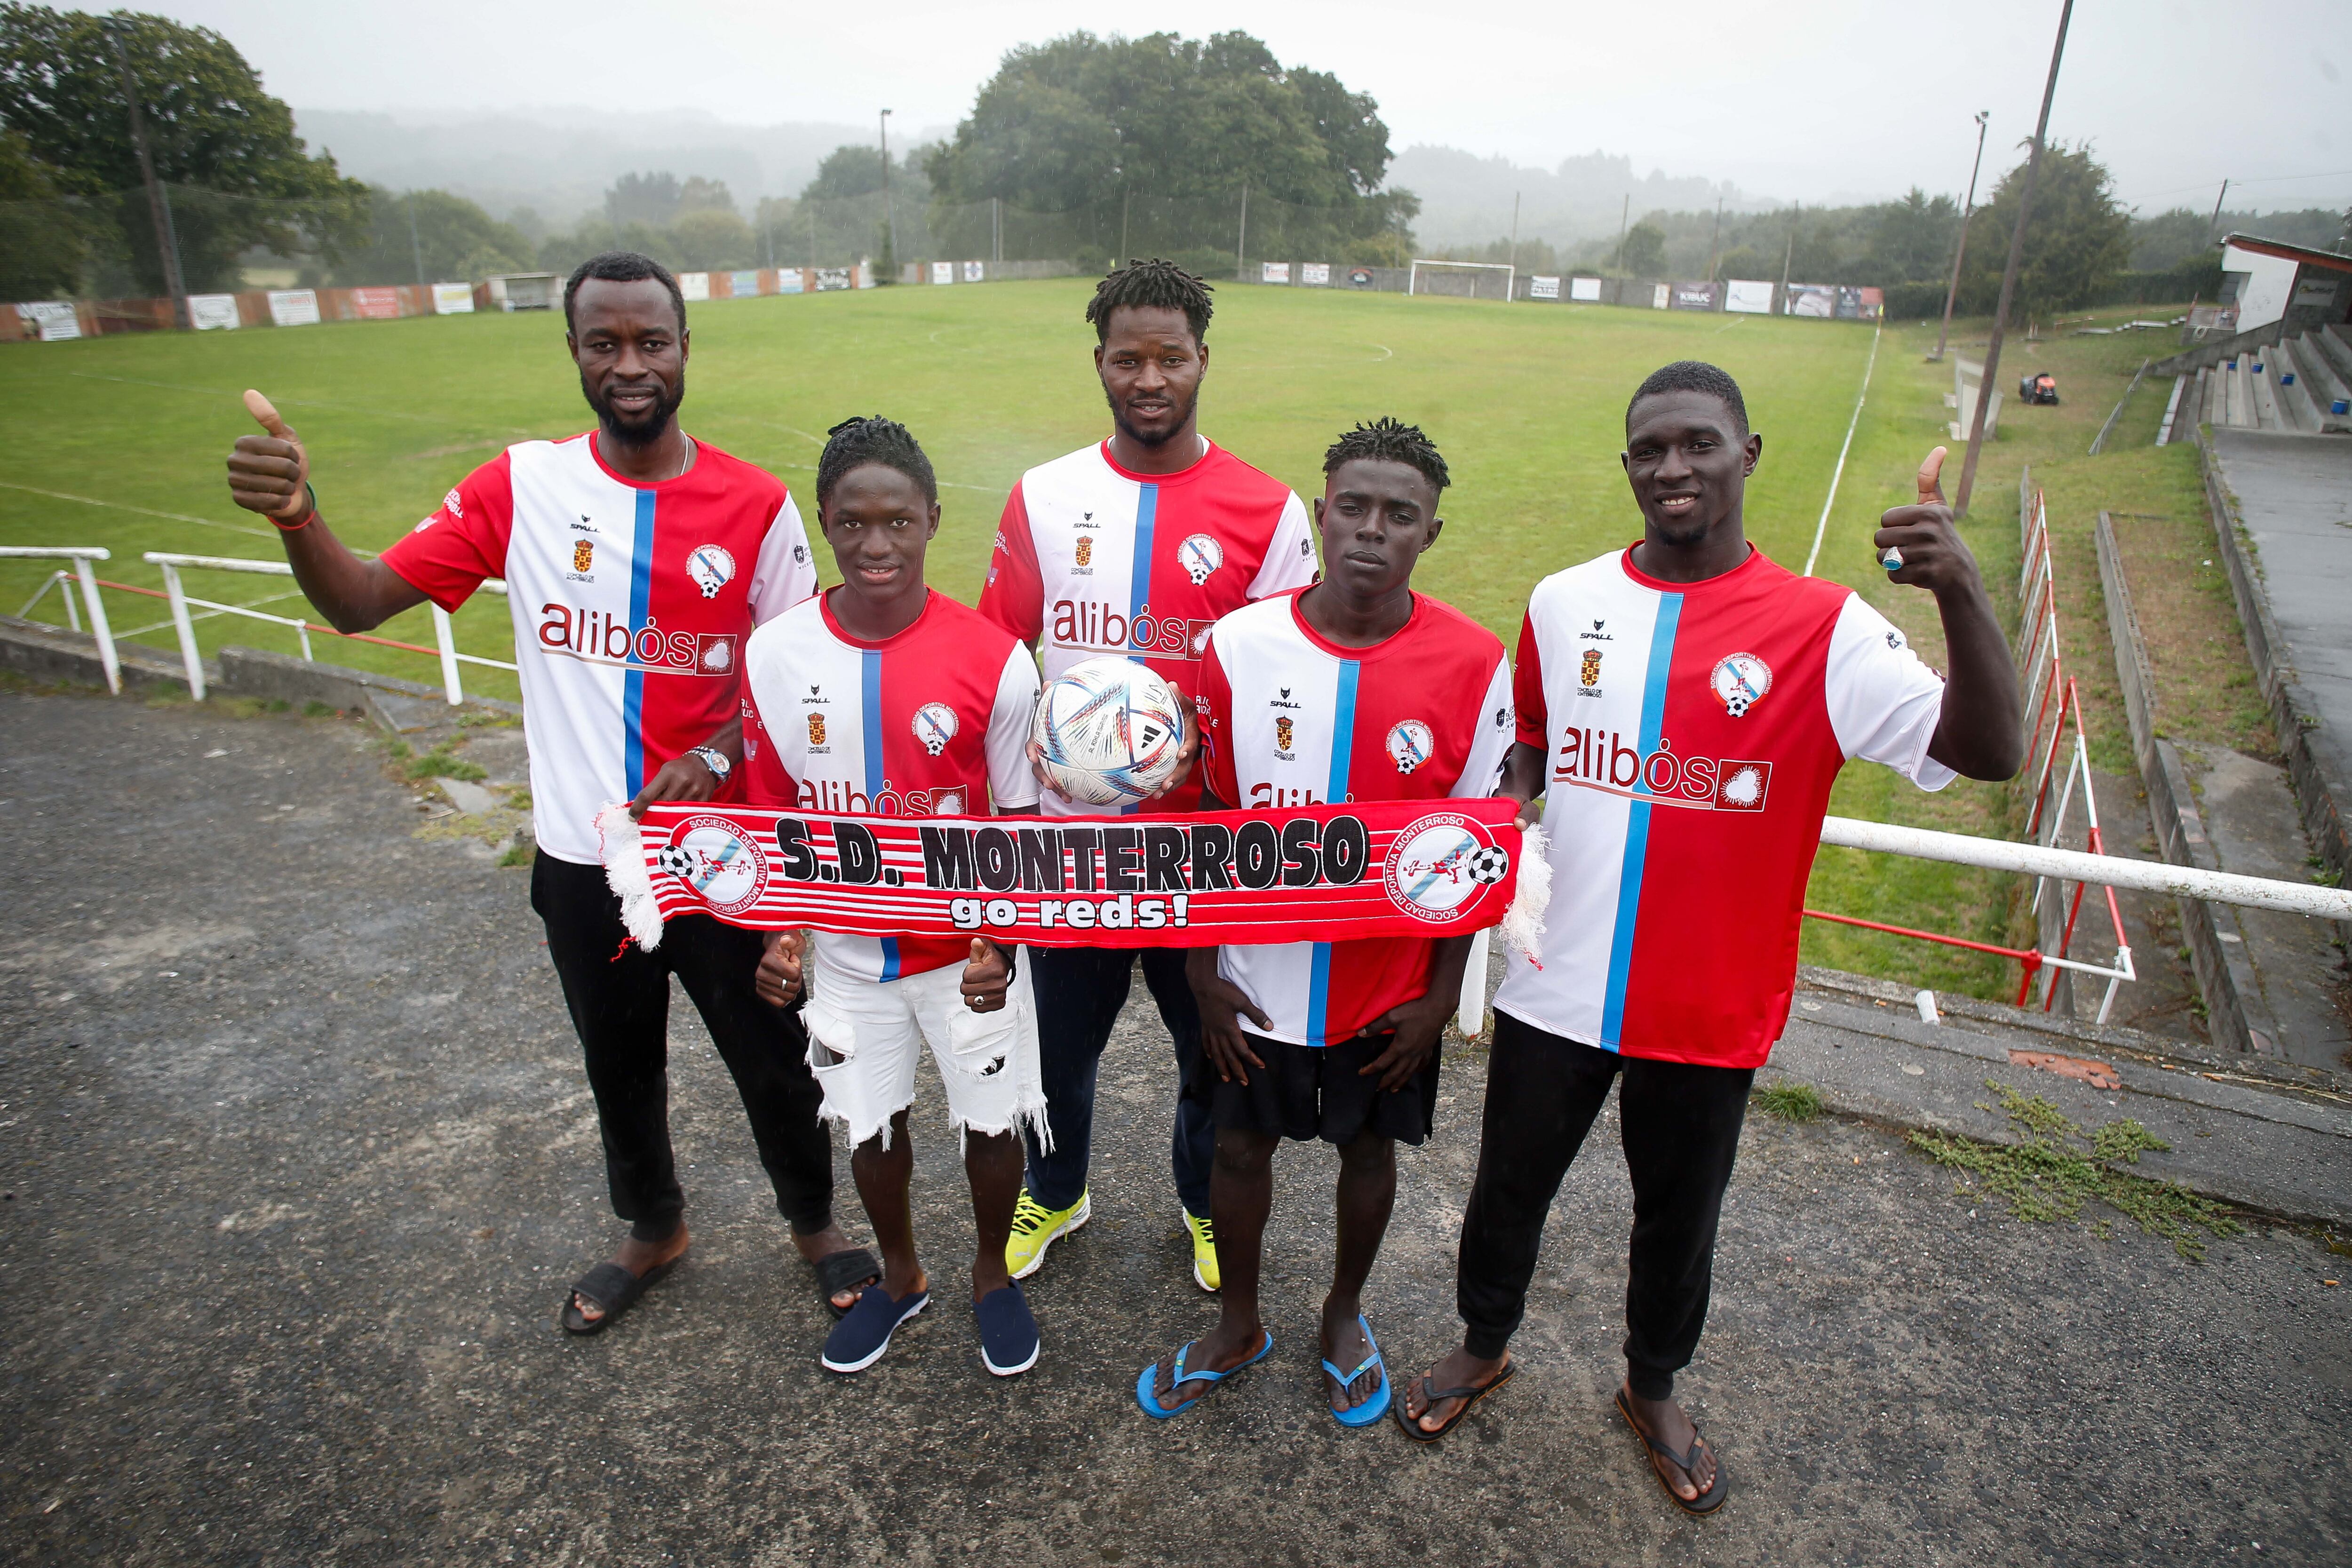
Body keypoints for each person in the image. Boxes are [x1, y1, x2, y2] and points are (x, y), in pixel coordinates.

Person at [1397, 362, 2023, 1512]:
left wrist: (1962, 590)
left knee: (1677, 1214)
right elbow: (1532, 740)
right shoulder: (1561, 600)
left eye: (1697, 444)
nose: (1671, 468)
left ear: (1748, 454)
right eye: (1649, 449)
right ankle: (1483, 1341)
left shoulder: (1827, 629)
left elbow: (1988, 752)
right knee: (1507, 1187)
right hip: (1554, 980)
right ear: (1627, 463)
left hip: (1710, 996)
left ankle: (1651, 1384)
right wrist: (1494, 810)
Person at [222, 250, 881, 1335]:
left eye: (650, 342)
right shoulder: (520, 485)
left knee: (771, 1056)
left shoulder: (756, 506)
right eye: (604, 343)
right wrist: (300, 514)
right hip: (586, 858)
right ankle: (652, 1223)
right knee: (616, 1056)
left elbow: (793, 688)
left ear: (684, 349)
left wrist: (717, 757)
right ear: (573, 350)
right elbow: (359, 601)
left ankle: (813, 1221)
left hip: (723, 852)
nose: (630, 365)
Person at [1136, 419, 1514, 1425]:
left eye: (1399, 515)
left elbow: (1472, 850)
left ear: (1430, 533)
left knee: (1368, 1153)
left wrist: (1441, 995)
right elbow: (1195, 821)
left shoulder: (1476, 663)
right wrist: (1197, 970)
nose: (1370, 530)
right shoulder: (1236, 645)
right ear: (1321, 511)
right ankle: (1240, 1321)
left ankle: (1344, 1314)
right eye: (1353, 506)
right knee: (1235, 1152)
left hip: (1384, 993)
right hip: (1248, 983)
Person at [978, 257, 1319, 1293]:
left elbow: (1286, 691)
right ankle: (1058, 1184)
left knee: (1211, 1048)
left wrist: (1196, 760)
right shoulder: (1044, 496)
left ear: (1203, 358)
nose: (1150, 377)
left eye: (1171, 356)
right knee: (1057, 1051)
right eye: (1128, 358)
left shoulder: (1267, 510)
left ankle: (1202, 1200)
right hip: (1068, 844)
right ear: (1100, 364)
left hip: (1200, 850)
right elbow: (997, 662)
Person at [744, 417, 1049, 1377]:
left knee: (992, 1126)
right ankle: (903, 1275)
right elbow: (774, 818)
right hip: (845, 958)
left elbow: (1019, 818)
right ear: (824, 524)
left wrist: (998, 937)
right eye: (851, 524)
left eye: (899, 523)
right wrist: (784, 934)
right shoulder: (776, 653)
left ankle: (993, 1275)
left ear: (931, 520)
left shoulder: (994, 656)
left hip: (966, 960)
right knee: (871, 1126)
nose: (876, 546)